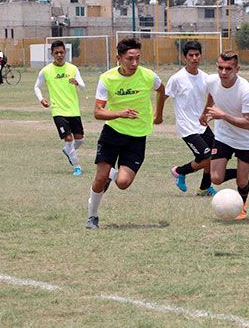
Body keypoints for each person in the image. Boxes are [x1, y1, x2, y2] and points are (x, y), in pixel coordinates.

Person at [86, 38, 165, 229]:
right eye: (130, 59)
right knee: (100, 178)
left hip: (137, 137)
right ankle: (92, 216)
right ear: (118, 58)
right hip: (112, 132)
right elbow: (98, 112)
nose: (134, 63)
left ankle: (109, 176)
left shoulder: (148, 76)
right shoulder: (107, 78)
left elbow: (162, 91)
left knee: (122, 183)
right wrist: (119, 114)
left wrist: (158, 114)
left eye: (137, 58)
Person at [200, 51, 249, 220]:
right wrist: (206, 112)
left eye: (228, 69)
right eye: (220, 68)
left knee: (241, 182)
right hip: (223, 136)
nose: (223, 73)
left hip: (245, 140)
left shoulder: (245, 90)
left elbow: (248, 123)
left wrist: (223, 115)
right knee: (216, 178)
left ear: (237, 69)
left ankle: (243, 206)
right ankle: (242, 173)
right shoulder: (212, 81)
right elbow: (212, 93)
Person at [159, 41, 217, 197]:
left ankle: (205, 188)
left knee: (216, 155)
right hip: (187, 127)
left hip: (201, 126)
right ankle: (179, 171)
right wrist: (158, 115)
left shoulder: (205, 77)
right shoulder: (177, 78)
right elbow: (163, 96)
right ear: (184, 57)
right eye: (190, 55)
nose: (194, 58)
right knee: (206, 157)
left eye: (197, 55)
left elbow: (212, 95)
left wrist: (206, 113)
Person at [34, 40, 85, 176]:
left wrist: (77, 83)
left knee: (80, 140)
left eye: (61, 52)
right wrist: (41, 99)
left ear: (65, 53)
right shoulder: (46, 71)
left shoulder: (73, 69)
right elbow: (37, 87)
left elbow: (83, 86)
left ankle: (67, 151)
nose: (59, 55)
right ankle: (77, 167)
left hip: (73, 109)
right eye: (56, 53)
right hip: (58, 110)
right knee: (68, 138)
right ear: (52, 54)